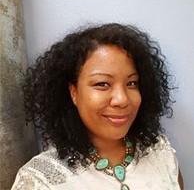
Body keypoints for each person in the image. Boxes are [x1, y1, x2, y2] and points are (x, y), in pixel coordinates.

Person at [11, 23, 184, 190]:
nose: (122, 99)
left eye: (131, 83)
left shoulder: (159, 152)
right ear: (74, 93)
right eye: (102, 84)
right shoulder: (39, 181)